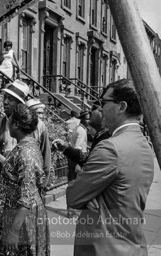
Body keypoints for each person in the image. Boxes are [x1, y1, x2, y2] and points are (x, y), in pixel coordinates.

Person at [66, 79, 154, 256]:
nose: (100, 108)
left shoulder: (110, 148)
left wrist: (89, 193)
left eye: (103, 102)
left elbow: (73, 196)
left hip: (104, 247)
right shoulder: (144, 144)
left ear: (121, 107)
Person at [0, 104, 50, 256]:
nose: (7, 124)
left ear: (17, 125)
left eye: (10, 120)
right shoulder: (27, 146)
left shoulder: (26, 155)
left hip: (18, 218)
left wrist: (13, 231)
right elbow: (12, 167)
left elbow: (26, 198)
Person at [0, 79, 29, 198]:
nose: (5, 102)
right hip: (3, 185)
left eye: (10, 99)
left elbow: (43, 155)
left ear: (20, 103)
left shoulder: (35, 126)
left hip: (24, 186)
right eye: (4, 98)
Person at [25, 98, 51, 189]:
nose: (42, 116)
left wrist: (46, 176)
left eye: (42, 113)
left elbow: (46, 152)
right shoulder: (20, 127)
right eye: (39, 113)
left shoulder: (41, 127)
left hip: (36, 173)